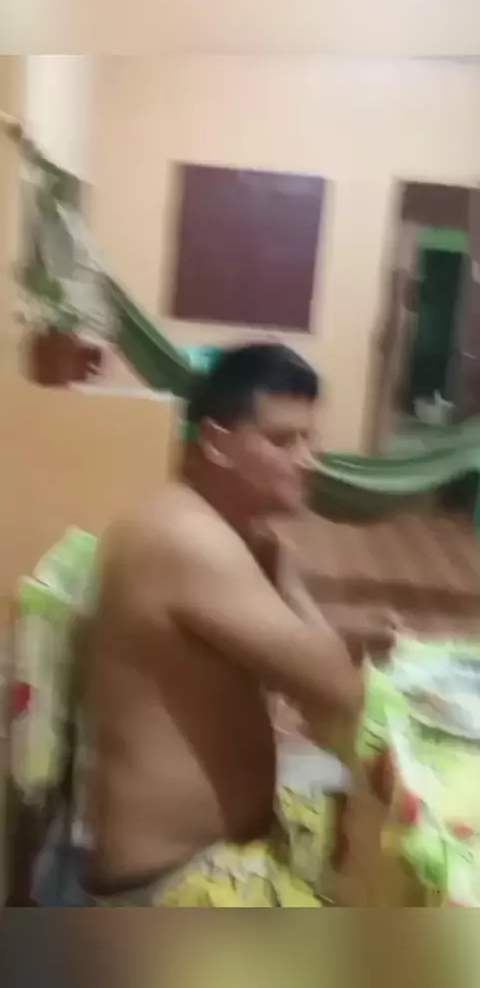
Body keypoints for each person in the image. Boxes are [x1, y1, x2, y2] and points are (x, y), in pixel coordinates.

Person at [83, 343, 390, 907]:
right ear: (218, 443)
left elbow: (295, 665)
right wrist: (288, 578)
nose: (308, 460)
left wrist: (350, 633)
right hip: (168, 889)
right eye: (283, 440)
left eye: (310, 440)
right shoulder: (189, 539)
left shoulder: (199, 522)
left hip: (214, 858)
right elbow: (340, 695)